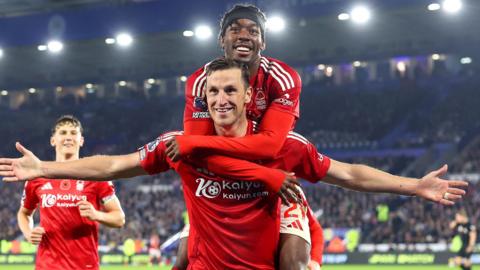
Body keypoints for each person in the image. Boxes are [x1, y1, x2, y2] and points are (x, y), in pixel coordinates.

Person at [1, 59, 468, 269]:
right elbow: (112, 165)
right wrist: (44, 169)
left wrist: (412, 186)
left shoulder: (287, 146)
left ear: (249, 96)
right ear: (203, 97)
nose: (222, 98)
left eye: (231, 90)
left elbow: (347, 173)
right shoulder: (180, 145)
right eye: (214, 91)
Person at [16, 115, 125, 270]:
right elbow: (24, 213)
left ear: (81, 140)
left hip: (85, 266)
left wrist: (96, 215)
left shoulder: (96, 175)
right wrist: (28, 233)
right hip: (47, 266)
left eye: (74, 133)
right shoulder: (37, 178)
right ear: (53, 140)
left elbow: (119, 218)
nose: (68, 137)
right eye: (63, 133)